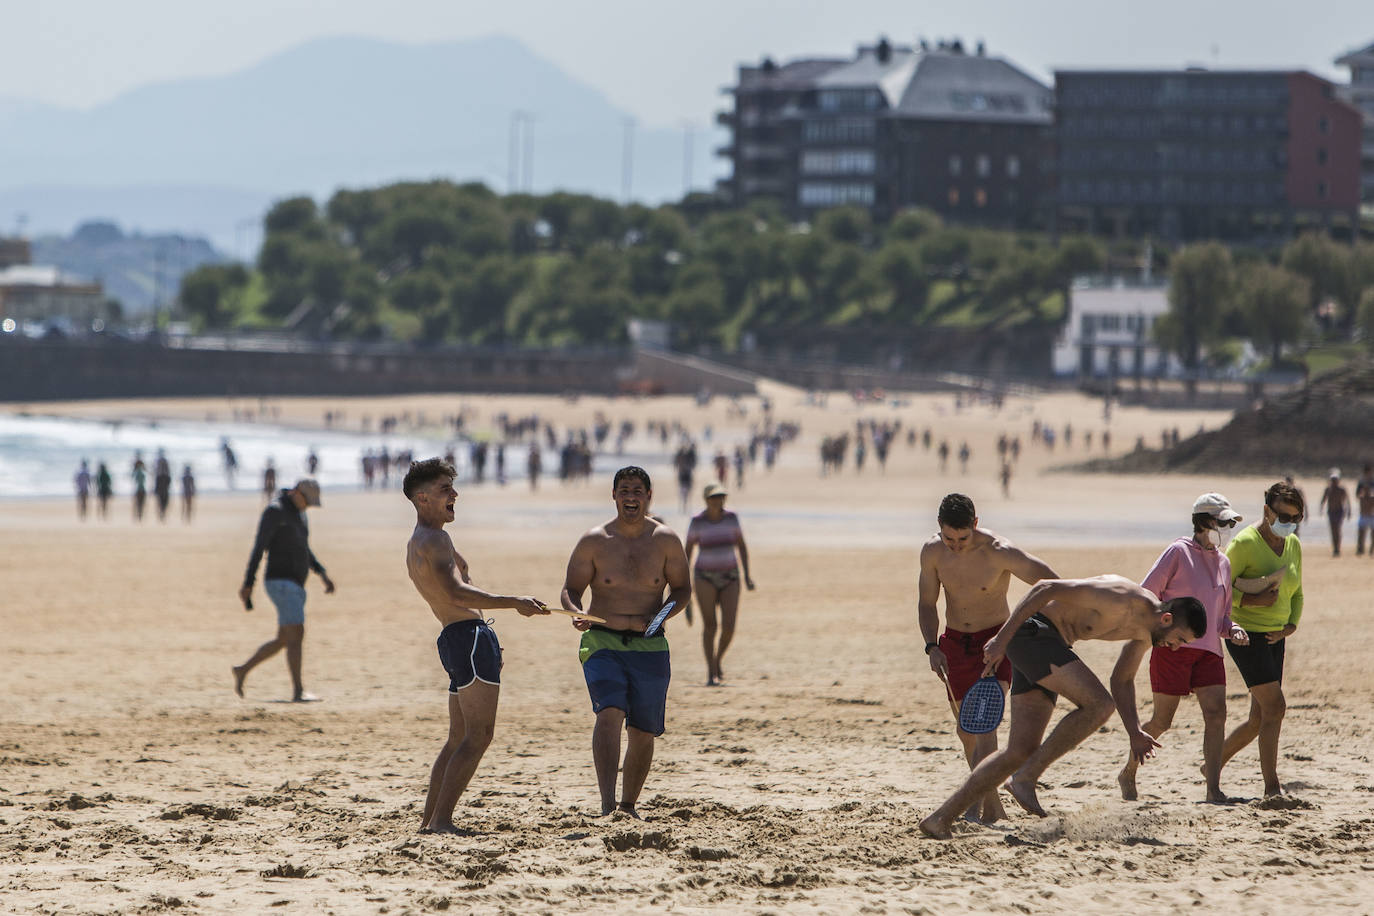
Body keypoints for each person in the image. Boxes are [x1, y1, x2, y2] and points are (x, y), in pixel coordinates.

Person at [918, 577, 1206, 838]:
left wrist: (1134, 732)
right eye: (1180, 639)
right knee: (1099, 704)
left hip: (1048, 646)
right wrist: (1002, 639)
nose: (1176, 647)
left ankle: (940, 818)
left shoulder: (1146, 633)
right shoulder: (1122, 596)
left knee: (1019, 750)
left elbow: (1122, 679)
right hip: (1033, 634)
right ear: (1167, 619)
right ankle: (1026, 777)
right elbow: (1046, 587)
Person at [402, 457, 549, 834]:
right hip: (467, 639)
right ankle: (441, 821)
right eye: (444, 489)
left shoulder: (421, 539)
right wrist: (514, 602)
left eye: (452, 487)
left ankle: (430, 821)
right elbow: (454, 590)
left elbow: (453, 589)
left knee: (457, 737)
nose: (454, 494)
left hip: (457, 639)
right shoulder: (434, 540)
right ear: (422, 498)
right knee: (479, 735)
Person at [917, 494, 1057, 824]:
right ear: (939, 528)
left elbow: (1050, 582)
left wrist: (1049, 624)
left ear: (975, 525)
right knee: (966, 731)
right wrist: (930, 646)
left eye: (963, 538)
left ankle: (985, 808)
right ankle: (987, 803)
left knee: (984, 725)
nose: (956, 545)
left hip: (995, 642)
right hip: (952, 645)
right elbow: (926, 603)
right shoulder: (933, 552)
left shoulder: (999, 551)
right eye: (949, 538)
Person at [561, 466, 691, 817]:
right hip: (602, 640)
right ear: (614, 496)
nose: (630, 496)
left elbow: (682, 590)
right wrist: (576, 611)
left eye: (637, 490)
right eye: (624, 490)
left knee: (643, 730)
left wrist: (661, 616)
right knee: (610, 713)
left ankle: (628, 805)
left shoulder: (665, 540)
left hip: (650, 645)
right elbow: (571, 588)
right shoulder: (594, 541)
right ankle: (607, 805)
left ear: (648, 497)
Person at [1118, 493, 1251, 804]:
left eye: (1230, 523)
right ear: (1204, 522)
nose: (1228, 527)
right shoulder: (1178, 551)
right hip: (1172, 649)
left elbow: (1222, 617)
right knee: (1162, 722)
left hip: (1209, 652)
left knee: (1217, 713)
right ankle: (1128, 771)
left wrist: (1234, 630)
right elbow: (1147, 593)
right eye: (1224, 522)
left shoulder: (1224, 562)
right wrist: (1154, 632)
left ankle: (1213, 789)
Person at [1220, 481, 1305, 798]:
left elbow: (1297, 592)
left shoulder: (1293, 544)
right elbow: (1221, 590)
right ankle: (1272, 787)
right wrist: (1250, 602)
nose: (1288, 524)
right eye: (1283, 516)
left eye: (1295, 518)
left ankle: (1211, 766)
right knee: (1276, 707)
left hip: (1276, 637)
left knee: (1258, 719)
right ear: (1267, 510)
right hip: (1245, 635)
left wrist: (1291, 625)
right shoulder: (1244, 544)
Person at [234, 479, 335, 702]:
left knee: (284, 638)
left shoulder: (300, 514)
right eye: (307, 501)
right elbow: (259, 548)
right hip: (280, 581)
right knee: (296, 634)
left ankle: (242, 670)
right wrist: (248, 583)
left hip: (295, 583)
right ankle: (298, 692)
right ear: (297, 493)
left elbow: (303, 548)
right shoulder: (275, 512)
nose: (308, 507)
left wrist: (321, 573)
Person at [685, 483, 756, 686]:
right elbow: (687, 550)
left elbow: (741, 546)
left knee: (729, 627)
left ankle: (717, 660)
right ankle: (710, 672)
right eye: (714, 497)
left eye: (721, 497)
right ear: (706, 500)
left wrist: (747, 575)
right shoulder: (697, 521)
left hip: (730, 577)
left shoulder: (731, 518)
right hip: (704, 577)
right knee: (710, 626)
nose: (718, 501)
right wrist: (682, 580)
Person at [1319, 469, 1349, 557]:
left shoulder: (1341, 489)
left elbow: (1347, 501)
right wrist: (1321, 508)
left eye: (1335, 480)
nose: (1334, 482)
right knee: (1333, 530)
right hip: (1331, 512)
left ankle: (1338, 548)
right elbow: (1323, 500)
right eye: (1332, 480)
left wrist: (1348, 511)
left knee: (1338, 529)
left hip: (1339, 511)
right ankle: (1335, 548)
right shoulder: (1328, 489)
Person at [1358, 464, 1374, 556]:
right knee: (1361, 533)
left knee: (1372, 534)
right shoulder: (1361, 482)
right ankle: (1360, 549)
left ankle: (1371, 550)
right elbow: (1358, 495)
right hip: (1363, 514)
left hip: (1371, 515)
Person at [131, 453, 148, 522]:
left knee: (138, 503)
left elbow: (133, 478)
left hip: (138, 489)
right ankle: (140, 515)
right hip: (142, 489)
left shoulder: (137, 472)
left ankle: (138, 515)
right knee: (141, 503)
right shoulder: (143, 472)